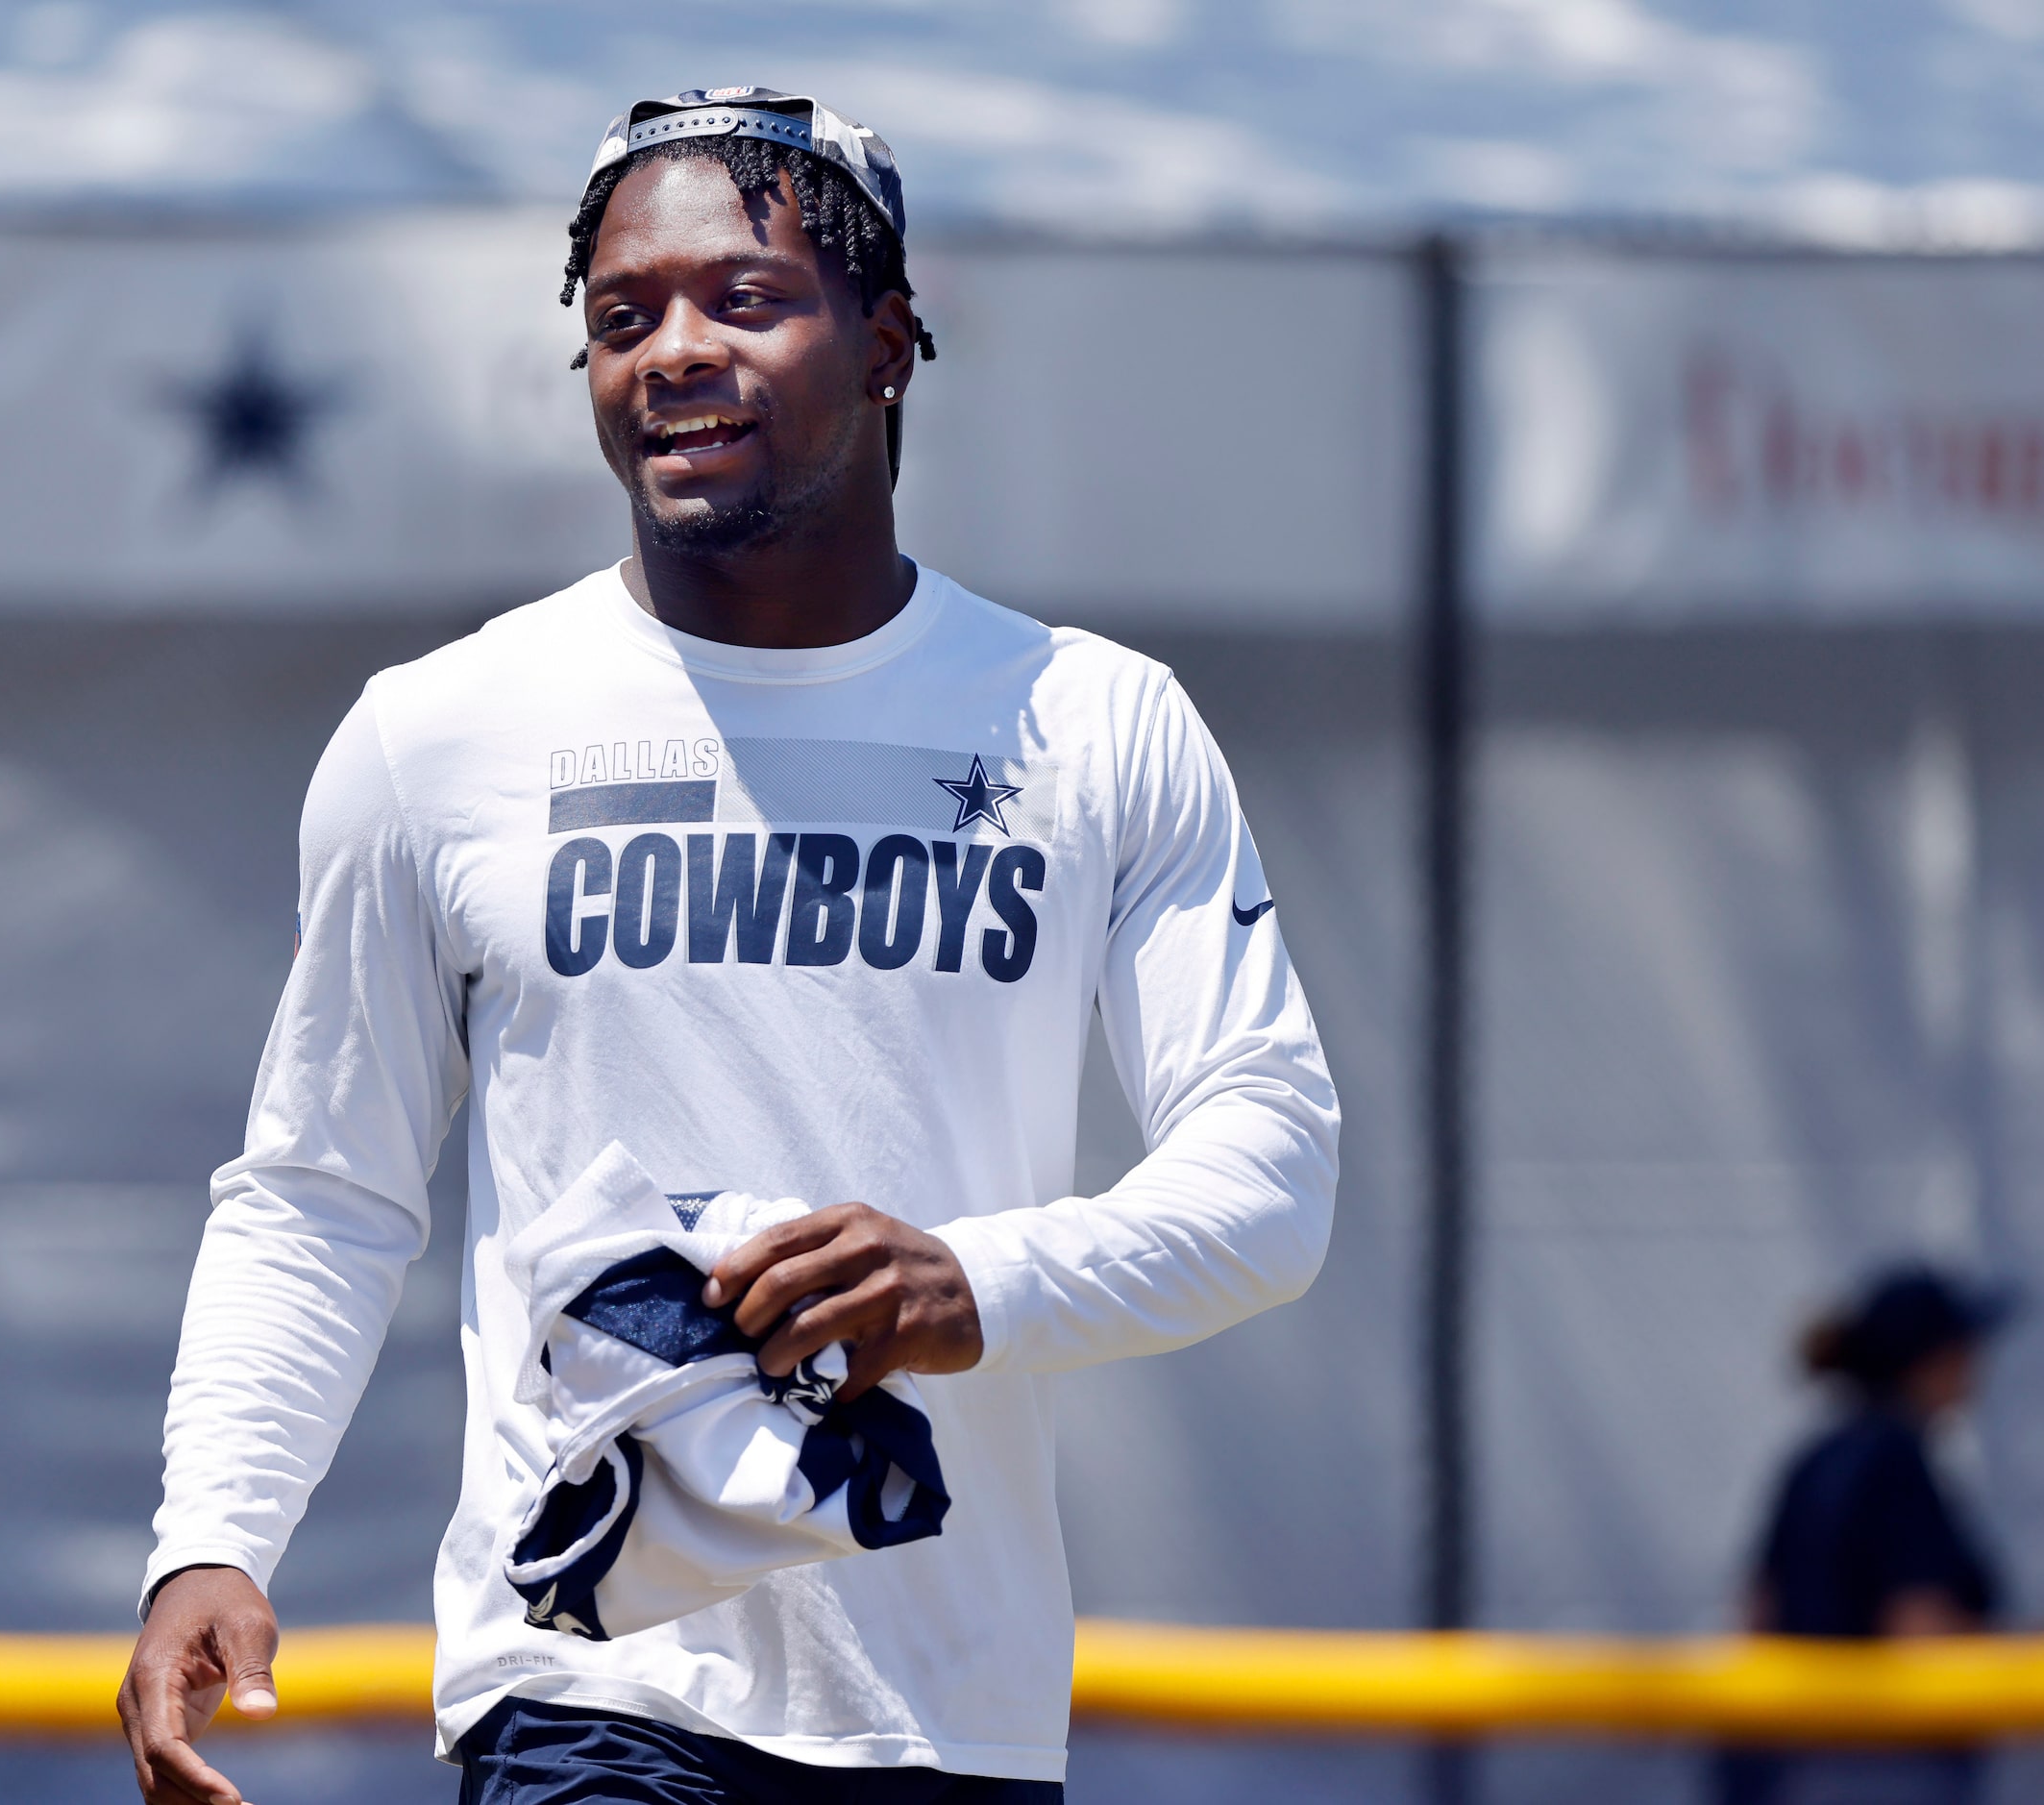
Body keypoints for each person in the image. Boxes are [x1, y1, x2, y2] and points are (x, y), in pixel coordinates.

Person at [117, 87, 1340, 1805]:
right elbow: (323, 1186)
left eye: (742, 299)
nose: (671, 351)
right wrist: (214, 1530)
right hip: (584, 1688)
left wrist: (974, 1283)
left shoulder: (1092, 722)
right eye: (624, 318)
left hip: (950, 1711)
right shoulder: (444, 733)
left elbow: (1272, 1169)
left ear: (892, 341)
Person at [1714, 1265, 2011, 1805]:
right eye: (1964, 1348)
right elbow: (1924, 1641)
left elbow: (1757, 1617)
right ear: (1932, 1360)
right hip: (1877, 1771)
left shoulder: (1815, 1458)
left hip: (1791, 1769)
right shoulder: (1895, 1461)